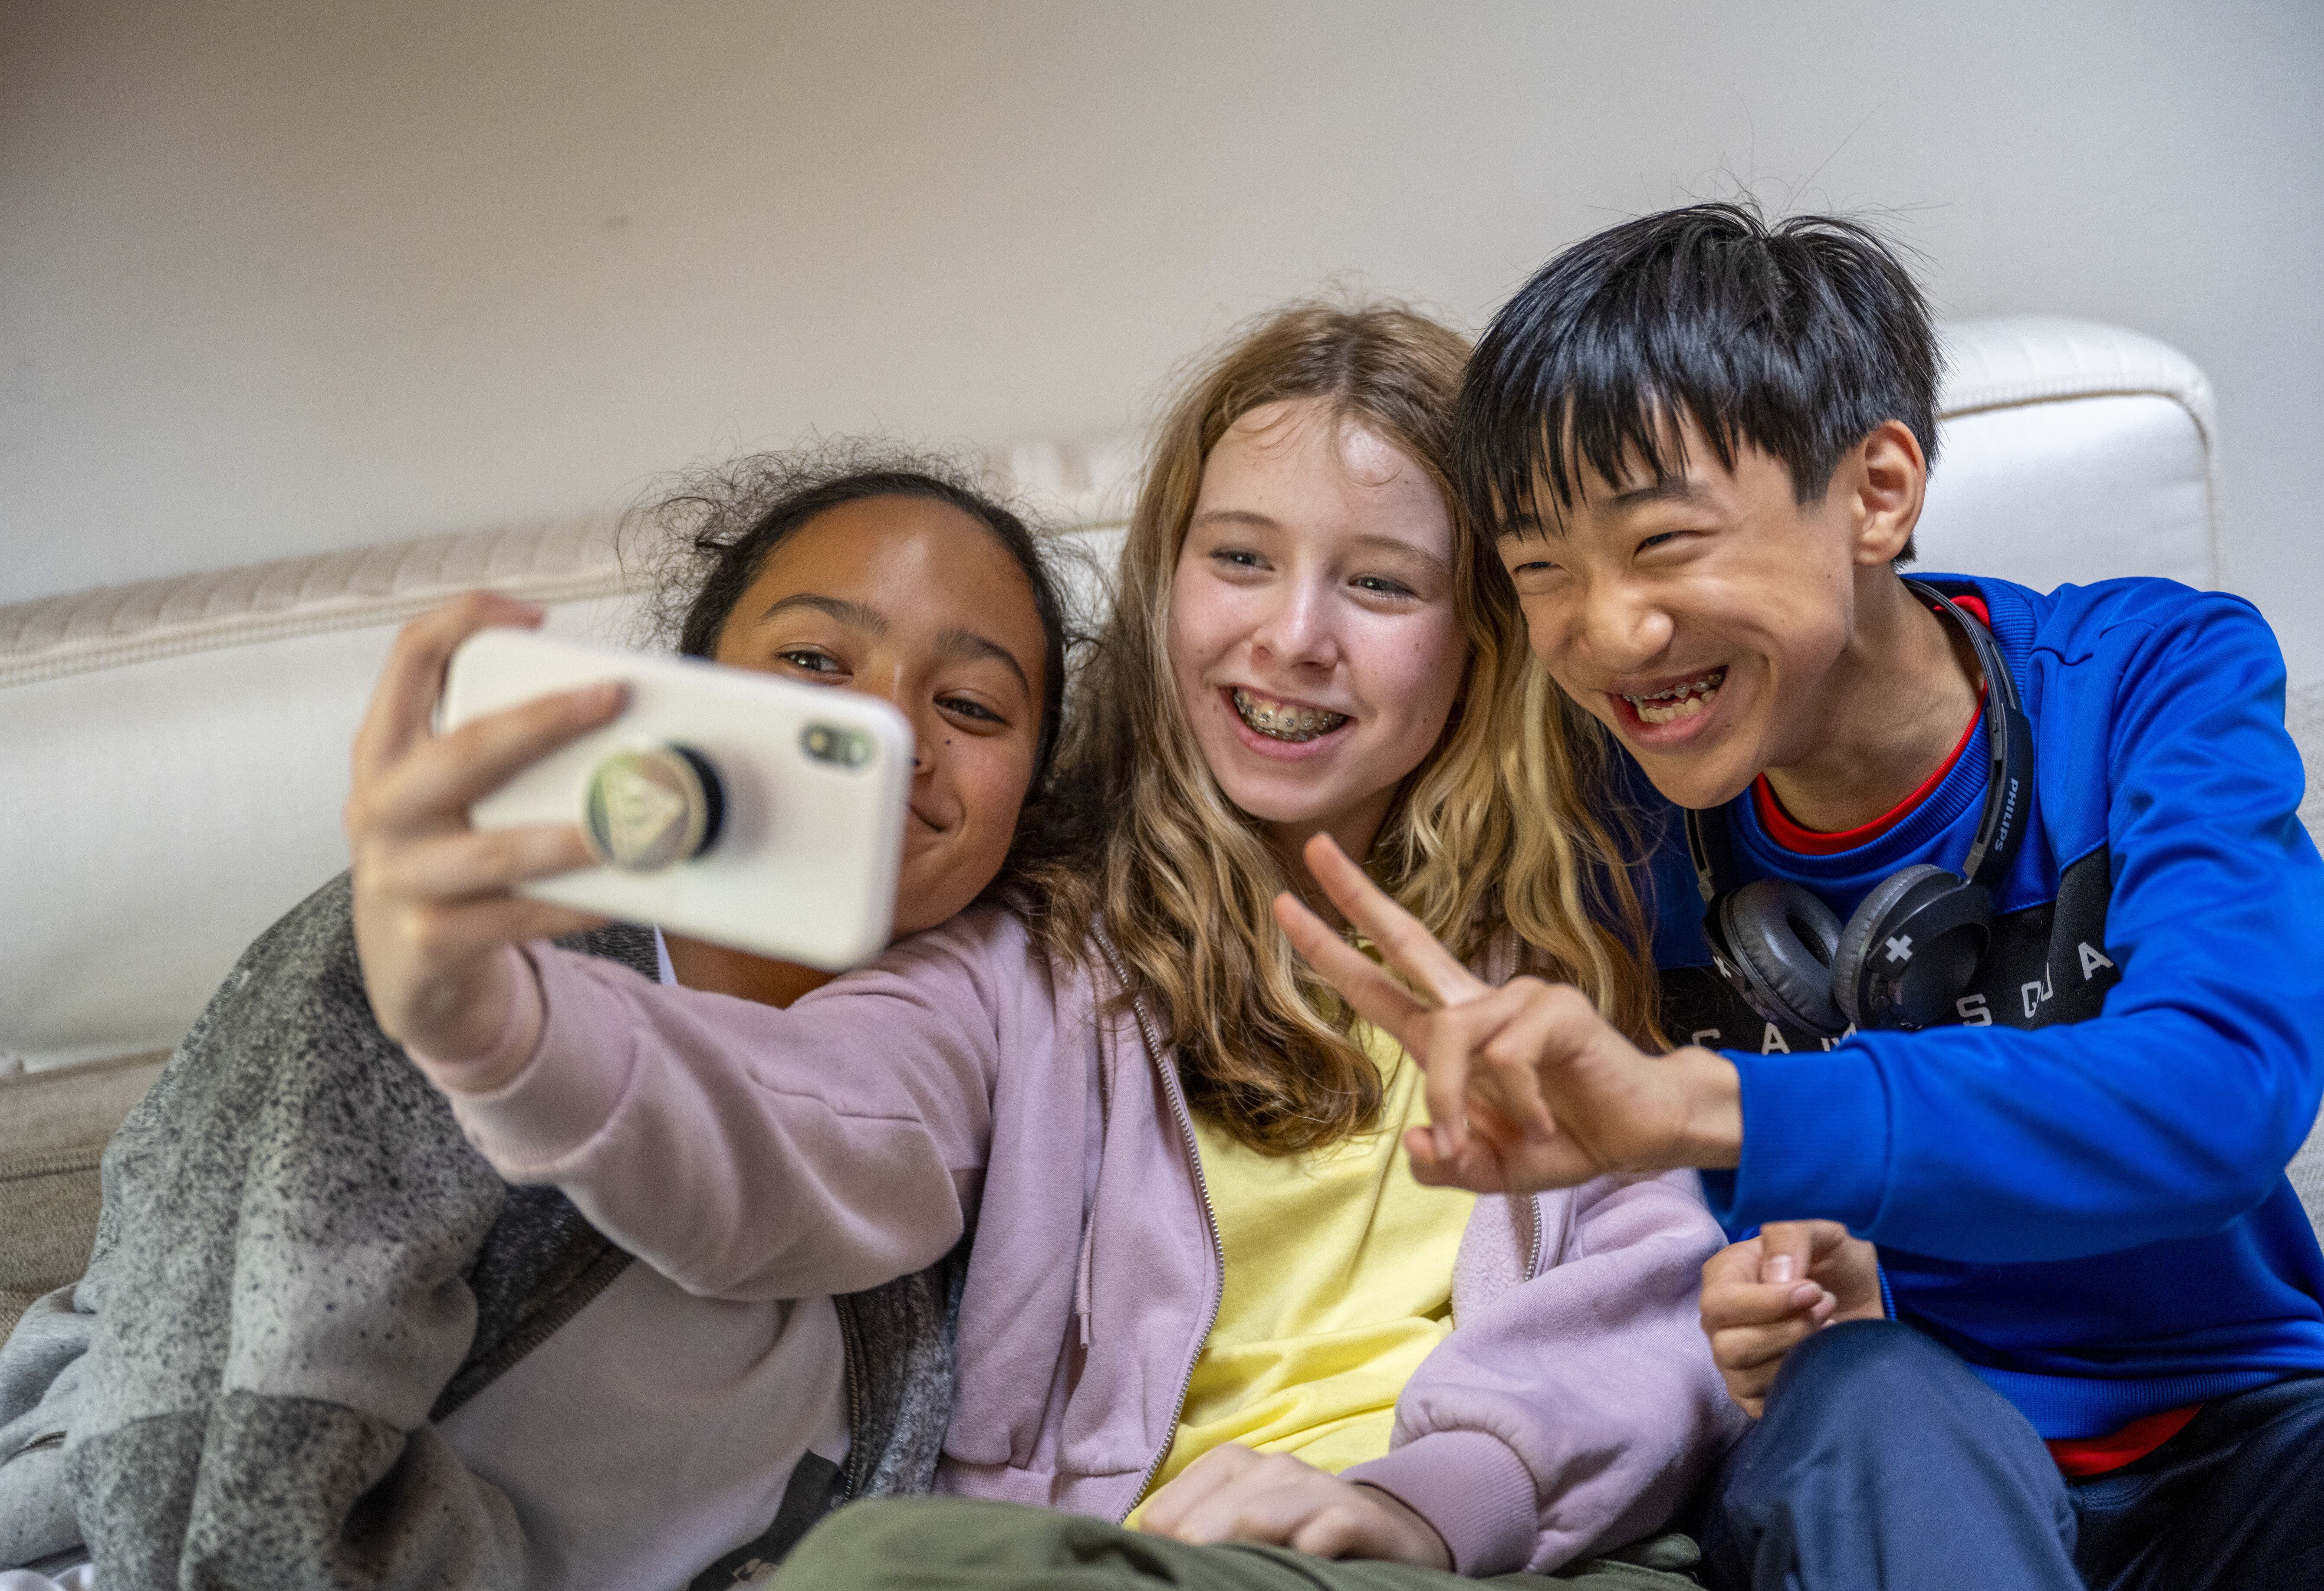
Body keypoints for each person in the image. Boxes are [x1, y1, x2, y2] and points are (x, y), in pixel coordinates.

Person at [356, 301, 1744, 1590]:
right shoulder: (1023, 962)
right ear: (1164, 584)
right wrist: (496, 1018)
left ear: (1479, 644)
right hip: (1115, 1567)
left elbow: (1654, 1307)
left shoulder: (1548, 959)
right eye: (1241, 558)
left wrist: (1426, 1498)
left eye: (1381, 585)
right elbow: (800, 1128)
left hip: (1491, 1560)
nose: (1293, 634)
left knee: (876, 1572)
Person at [1278, 204, 2324, 1591]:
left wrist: (1711, 1107)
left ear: (1877, 493)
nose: (1604, 633)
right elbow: (1636, 1253)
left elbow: (2224, 1089)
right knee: (1870, 1396)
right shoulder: (1597, 811)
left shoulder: (2150, 678)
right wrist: (1746, 1280)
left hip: (2244, 1427)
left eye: (1659, 543)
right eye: (1541, 570)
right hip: (1884, 1439)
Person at [0, 443, 1076, 1591]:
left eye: (971, 705)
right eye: (815, 660)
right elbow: (206, 1439)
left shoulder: (972, 1091)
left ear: (1030, 794)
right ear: (696, 691)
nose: (892, 733)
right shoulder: (445, 942)